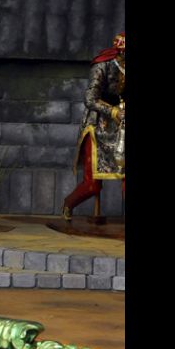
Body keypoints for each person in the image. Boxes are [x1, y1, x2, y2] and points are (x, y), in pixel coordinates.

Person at [62, 32, 125, 221]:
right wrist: (113, 111)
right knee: (92, 185)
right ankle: (68, 203)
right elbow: (89, 99)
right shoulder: (102, 66)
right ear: (120, 51)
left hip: (121, 128)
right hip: (97, 125)